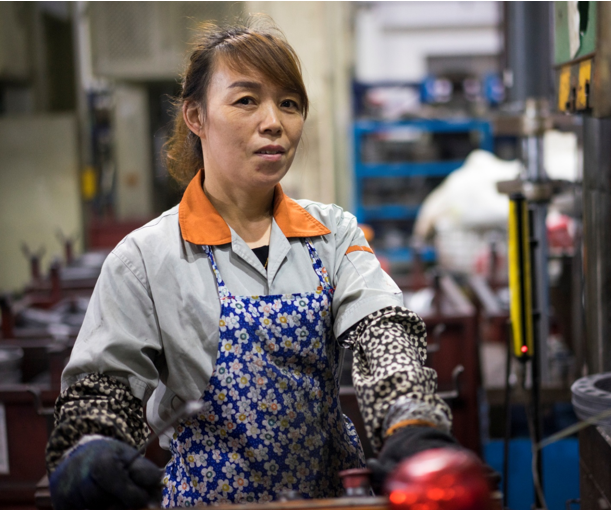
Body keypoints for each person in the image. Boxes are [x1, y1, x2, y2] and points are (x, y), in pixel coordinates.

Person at [46, 18, 457, 510]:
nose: (274, 122)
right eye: (246, 100)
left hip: (329, 500)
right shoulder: (145, 258)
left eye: (289, 103)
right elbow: (104, 386)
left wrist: (411, 419)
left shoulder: (332, 233)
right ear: (196, 116)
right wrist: (89, 447)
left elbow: (383, 333)